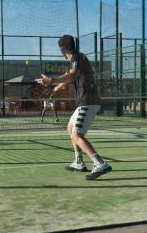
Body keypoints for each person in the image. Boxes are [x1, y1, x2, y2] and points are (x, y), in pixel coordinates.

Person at [36, 34, 112, 180]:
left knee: (77, 135)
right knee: (70, 128)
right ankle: (79, 162)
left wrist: (50, 80)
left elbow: (71, 76)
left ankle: (100, 163)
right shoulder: (76, 59)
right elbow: (68, 77)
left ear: (62, 49)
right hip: (84, 102)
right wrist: (55, 87)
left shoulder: (77, 58)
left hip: (87, 102)